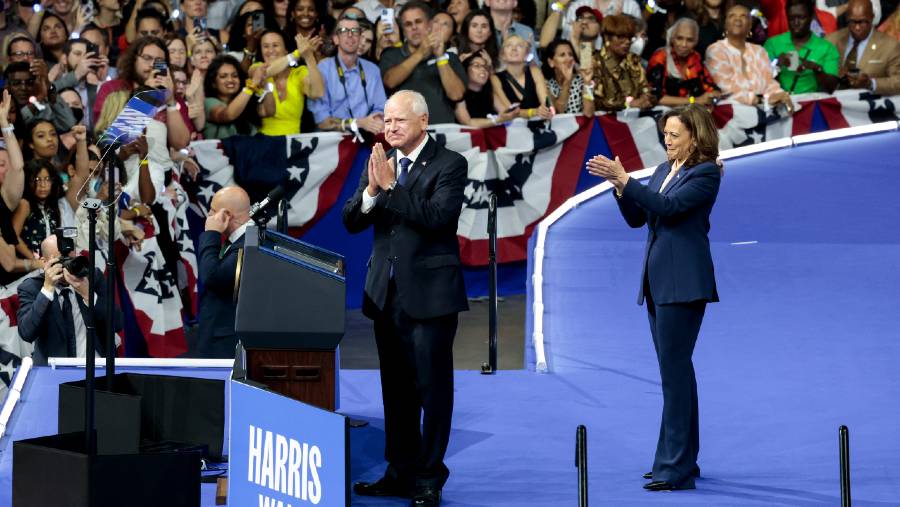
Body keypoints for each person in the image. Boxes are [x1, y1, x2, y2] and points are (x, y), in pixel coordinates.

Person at [586, 104, 721, 492]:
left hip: (684, 284)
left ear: (695, 137)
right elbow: (639, 217)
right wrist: (619, 189)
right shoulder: (664, 171)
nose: (667, 141)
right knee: (677, 373)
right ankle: (682, 459)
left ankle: (673, 466)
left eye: (674, 135)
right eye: (665, 135)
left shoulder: (706, 174)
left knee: (674, 374)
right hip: (657, 282)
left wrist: (626, 180)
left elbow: (670, 207)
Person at [342, 90, 468, 507]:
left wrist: (393, 188)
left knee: (432, 391)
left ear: (423, 122)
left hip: (431, 297)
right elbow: (351, 220)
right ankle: (399, 471)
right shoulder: (381, 160)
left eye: (399, 121)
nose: (390, 128)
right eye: (387, 121)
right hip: (386, 295)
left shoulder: (450, 164)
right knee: (395, 392)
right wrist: (374, 192)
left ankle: (429, 477)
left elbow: (439, 218)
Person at [17, 232, 123, 366]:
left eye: (71, 259)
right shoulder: (32, 287)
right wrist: (47, 289)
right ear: (45, 262)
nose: (69, 265)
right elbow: (27, 333)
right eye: (62, 260)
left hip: (96, 366)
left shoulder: (92, 278)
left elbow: (118, 323)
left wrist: (88, 295)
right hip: (54, 371)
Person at [380, 2, 467, 125]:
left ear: (430, 25)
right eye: (408, 24)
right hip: (405, 133)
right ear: (403, 30)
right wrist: (420, 54)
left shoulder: (449, 57)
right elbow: (390, 81)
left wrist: (440, 58)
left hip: (443, 132)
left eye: (418, 21)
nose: (414, 27)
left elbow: (457, 95)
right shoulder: (391, 54)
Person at [308, 15, 387, 134]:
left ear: (360, 38)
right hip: (332, 142)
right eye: (344, 31)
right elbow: (322, 121)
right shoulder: (322, 69)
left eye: (355, 31)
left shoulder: (372, 70)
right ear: (335, 39)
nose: (350, 35)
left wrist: (375, 120)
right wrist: (358, 123)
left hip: (366, 137)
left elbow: (381, 109)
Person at [196, 185, 251, 358]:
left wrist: (211, 233)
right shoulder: (245, 239)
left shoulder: (246, 246)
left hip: (224, 345)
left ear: (226, 215)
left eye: (212, 211)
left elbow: (212, 276)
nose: (209, 216)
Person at [705, 3, 793, 109]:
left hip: (764, 115)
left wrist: (779, 94)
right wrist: (761, 99)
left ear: (750, 25)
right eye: (732, 16)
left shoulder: (759, 51)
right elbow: (726, 89)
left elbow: (769, 83)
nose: (738, 19)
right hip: (730, 117)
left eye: (743, 16)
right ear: (725, 24)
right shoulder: (715, 50)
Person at [254, 30, 325, 135]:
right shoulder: (256, 68)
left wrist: (308, 56)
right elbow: (264, 73)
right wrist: (298, 53)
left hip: (293, 143)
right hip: (263, 141)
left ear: (286, 50)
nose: (271, 50)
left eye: (275, 45)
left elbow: (317, 93)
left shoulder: (299, 72)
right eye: (266, 46)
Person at [764, 0, 840, 94]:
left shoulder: (827, 48)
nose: (796, 23)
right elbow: (761, 82)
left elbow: (832, 88)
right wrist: (777, 65)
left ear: (811, 17)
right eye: (791, 18)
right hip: (781, 104)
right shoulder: (772, 44)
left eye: (801, 18)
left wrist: (817, 69)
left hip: (812, 105)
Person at [827, 0, 900, 95]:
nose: (857, 27)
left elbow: (898, 81)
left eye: (862, 22)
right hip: (836, 105)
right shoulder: (831, 41)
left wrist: (871, 83)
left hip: (870, 106)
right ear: (846, 18)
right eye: (852, 22)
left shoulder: (890, 46)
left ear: (872, 18)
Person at [647, 17, 721, 106]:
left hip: (692, 112)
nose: (684, 44)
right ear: (672, 38)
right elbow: (656, 98)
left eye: (689, 40)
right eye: (679, 38)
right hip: (665, 112)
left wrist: (713, 94)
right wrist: (694, 100)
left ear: (696, 41)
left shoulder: (695, 58)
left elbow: (711, 87)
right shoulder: (660, 57)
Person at [593, 14, 654, 111]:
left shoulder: (633, 61)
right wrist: (628, 104)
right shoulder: (595, 62)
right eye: (621, 37)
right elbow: (597, 102)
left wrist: (645, 98)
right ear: (607, 38)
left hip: (634, 120)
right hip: (604, 122)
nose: (627, 42)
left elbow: (645, 88)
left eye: (629, 38)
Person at [455, 50, 519, 126]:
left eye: (485, 67)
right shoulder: (458, 93)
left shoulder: (489, 92)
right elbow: (467, 122)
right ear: (465, 69)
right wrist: (496, 120)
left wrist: (511, 112)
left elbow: (504, 112)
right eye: (476, 66)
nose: (483, 69)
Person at [496, 34, 552, 119]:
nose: (514, 49)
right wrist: (534, 112)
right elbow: (509, 110)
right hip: (511, 128)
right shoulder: (495, 78)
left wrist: (546, 109)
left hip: (536, 126)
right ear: (502, 55)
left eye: (519, 46)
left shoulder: (535, 72)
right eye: (509, 45)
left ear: (526, 55)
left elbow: (546, 101)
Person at [542, 39, 596, 115]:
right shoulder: (546, 83)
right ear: (551, 62)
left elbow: (589, 113)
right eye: (562, 55)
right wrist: (567, 82)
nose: (569, 58)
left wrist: (587, 82)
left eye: (570, 54)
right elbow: (557, 112)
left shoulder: (582, 80)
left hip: (580, 126)